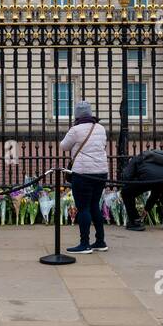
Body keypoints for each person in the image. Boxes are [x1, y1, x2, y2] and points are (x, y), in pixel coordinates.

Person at [58, 101, 108, 254]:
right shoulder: (100, 128)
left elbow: (64, 146)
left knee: (83, 208)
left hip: (82, 173)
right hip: (100, 172)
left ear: (77, 114)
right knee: (94, 206)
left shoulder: (75, 129)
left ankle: (84, 244)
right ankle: (100, 241)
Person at [120, 148, 163, 231]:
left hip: (146, 177)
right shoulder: (158, 159)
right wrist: (147, 208)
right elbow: (155, 193)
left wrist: (131, 182)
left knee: (126, 192)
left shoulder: (137, 158)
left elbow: (126, 176)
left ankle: (135, 221)